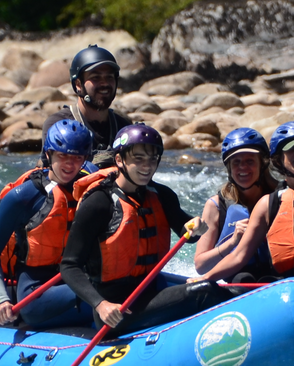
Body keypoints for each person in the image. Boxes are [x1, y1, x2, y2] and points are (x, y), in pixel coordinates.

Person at [60, 124, 227, 332]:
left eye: (152, 159)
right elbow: (69, 266)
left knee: (224, 288)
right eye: (138, 158)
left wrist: (197, 227)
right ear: (120, 160)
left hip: (152, 290)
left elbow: (187, 232)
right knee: (204, 292)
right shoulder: (98, 202)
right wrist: (100, 304)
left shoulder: (162, 195)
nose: (147, 166)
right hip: (117, 309)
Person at [0, 119, 97, 329]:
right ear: (49, 155)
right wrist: (1, 299)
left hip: (76, 273)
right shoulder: (24, 196)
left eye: (77, 157)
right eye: (63, 156)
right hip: (37, 284)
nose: (70, 164)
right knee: (33, 310)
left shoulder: (93, 186)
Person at [205, 121, 294, 283]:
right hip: (287, 285)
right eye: (292, 149)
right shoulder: (268, 204)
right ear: (278, 159)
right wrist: (205, 279)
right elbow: (239, 255)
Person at [194, 127, 277, 278]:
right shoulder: (216, 205)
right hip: (236, 281)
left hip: (275, 278)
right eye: (236, 162)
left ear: (262, 164)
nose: (243, 167)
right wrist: (233, 242)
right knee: (244, 277)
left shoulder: (281, 197)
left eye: (249, 161)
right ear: (229, 168)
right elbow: (200, 266)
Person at [42, 44, 131, 168]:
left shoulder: (124, 126)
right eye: (96, 77)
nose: (104, 83)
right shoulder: (58, 125)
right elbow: (49, 174)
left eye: (109, 77)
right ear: (78, 84)